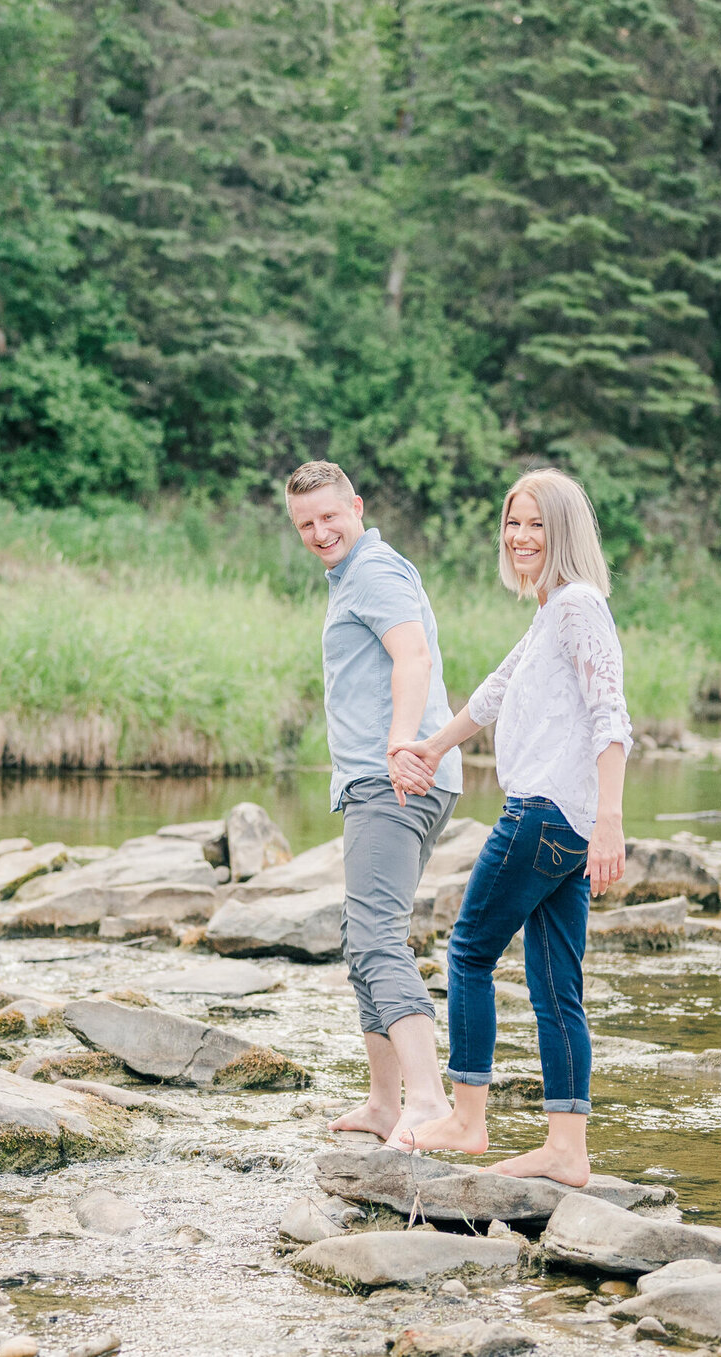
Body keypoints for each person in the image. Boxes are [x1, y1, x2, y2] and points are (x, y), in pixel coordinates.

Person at [387, 467, 630, 1180]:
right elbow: (495, 690)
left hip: (547, 812)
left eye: (536, 525)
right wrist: (432, 746)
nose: (521, 537)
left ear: (564, 532)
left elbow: (610, 712)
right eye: (513, 523)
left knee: (467, 950)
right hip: (566, 823)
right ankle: (567, 1149)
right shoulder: (554, 610)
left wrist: (612, 818)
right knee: (558, 985)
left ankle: (466, 1119)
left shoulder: (580, 605)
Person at [283, 460, 464, 1149]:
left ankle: (427, 1101)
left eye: (331, 516)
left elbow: (411, 656)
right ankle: (385, 1103)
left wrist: (398, 743)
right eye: (306, 523)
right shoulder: (358, 572)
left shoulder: (376, 571)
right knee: (364, 937)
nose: (321, 531)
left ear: (355, 506)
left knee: (376, 938)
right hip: (394, 778)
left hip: (393, 779)